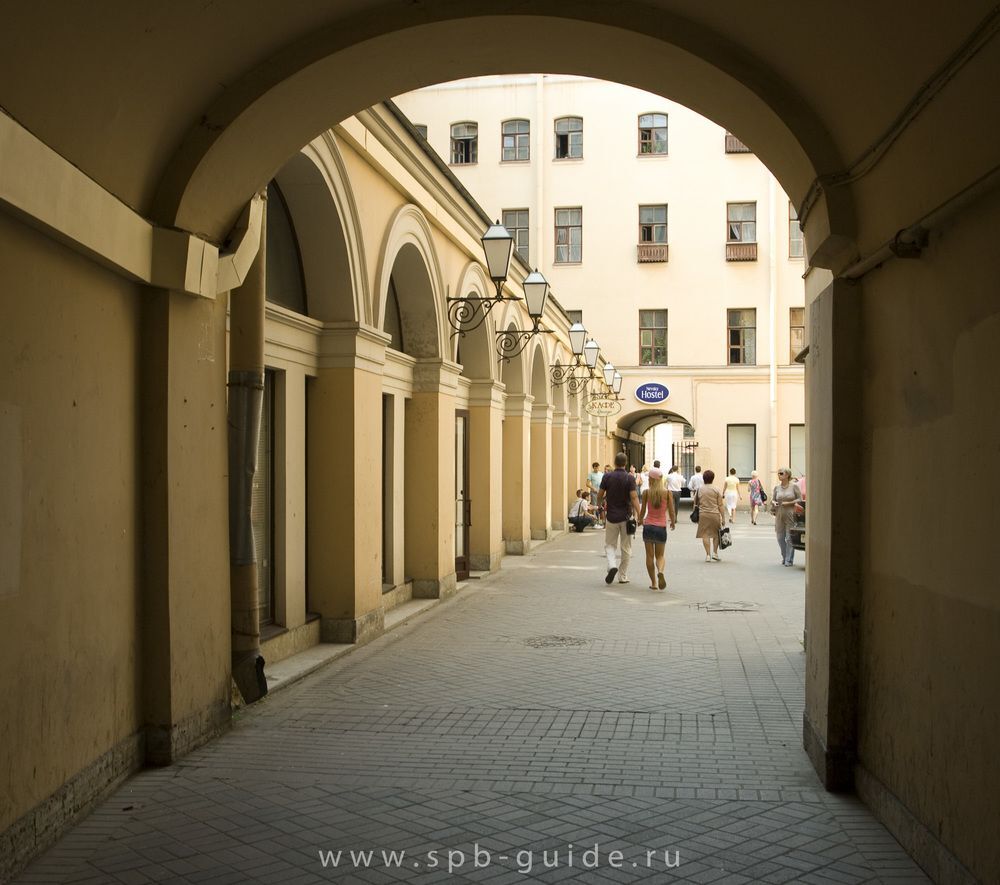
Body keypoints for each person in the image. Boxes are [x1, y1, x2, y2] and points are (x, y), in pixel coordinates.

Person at [597, 452, 641, 584]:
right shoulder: (629, 478)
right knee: (626, 547)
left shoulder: (607, 476)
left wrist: (599, 506)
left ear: (615, 463)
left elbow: (600, 494)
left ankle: (612, 565)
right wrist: (639, 514)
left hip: (611, 516)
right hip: (626, 517)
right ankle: (622, 576)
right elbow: (633, 497)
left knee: (610, 545)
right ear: (626, 463)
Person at [638, 467, 676, 589]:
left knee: (649, 556)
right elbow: (671, 510)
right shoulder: (668, 493)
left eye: (649, 478)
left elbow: (643, 510)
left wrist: (639, 520)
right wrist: (673, 522)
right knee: (660, 556)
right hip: (661, 527)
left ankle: (654, 583)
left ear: (652, 480)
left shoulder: (646, 493)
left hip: (648, 526)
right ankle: (660, 571)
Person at [771, 467, 804, 566]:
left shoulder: (794, 487)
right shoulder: (777, 488)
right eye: (778, 473)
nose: (779, 475)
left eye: (781, 473)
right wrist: (774, 503)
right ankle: (785, 556)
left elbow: (800, 499)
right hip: (779, 514)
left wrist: (789, 502)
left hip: (790, 513)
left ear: (787, 475)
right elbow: (772, 499)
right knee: (780, 538)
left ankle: (789, 560)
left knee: (789, 538)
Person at [694, 469, 726, 561]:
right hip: (715, 514)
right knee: (716, 534)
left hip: (703, 514)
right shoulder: (716, 489)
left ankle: (708, 555)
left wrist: (695, 516)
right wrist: (723, 517)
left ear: (704, 479)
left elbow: (696, 503)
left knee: (705, 535)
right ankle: (715, 553)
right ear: (713, 478)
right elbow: (720, 505)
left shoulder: (699, 489)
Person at [587, 462, 604, 526]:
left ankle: (601, 521)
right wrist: (593, 488)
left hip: (601, 492)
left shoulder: (601, 474)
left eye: (597, 467)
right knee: (594, 506)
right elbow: (587, 484)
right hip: (594, 493)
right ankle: (594, 521)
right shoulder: (590, 474)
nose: (596, 469)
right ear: (593, 468)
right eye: (595, 468)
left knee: (601, 506)